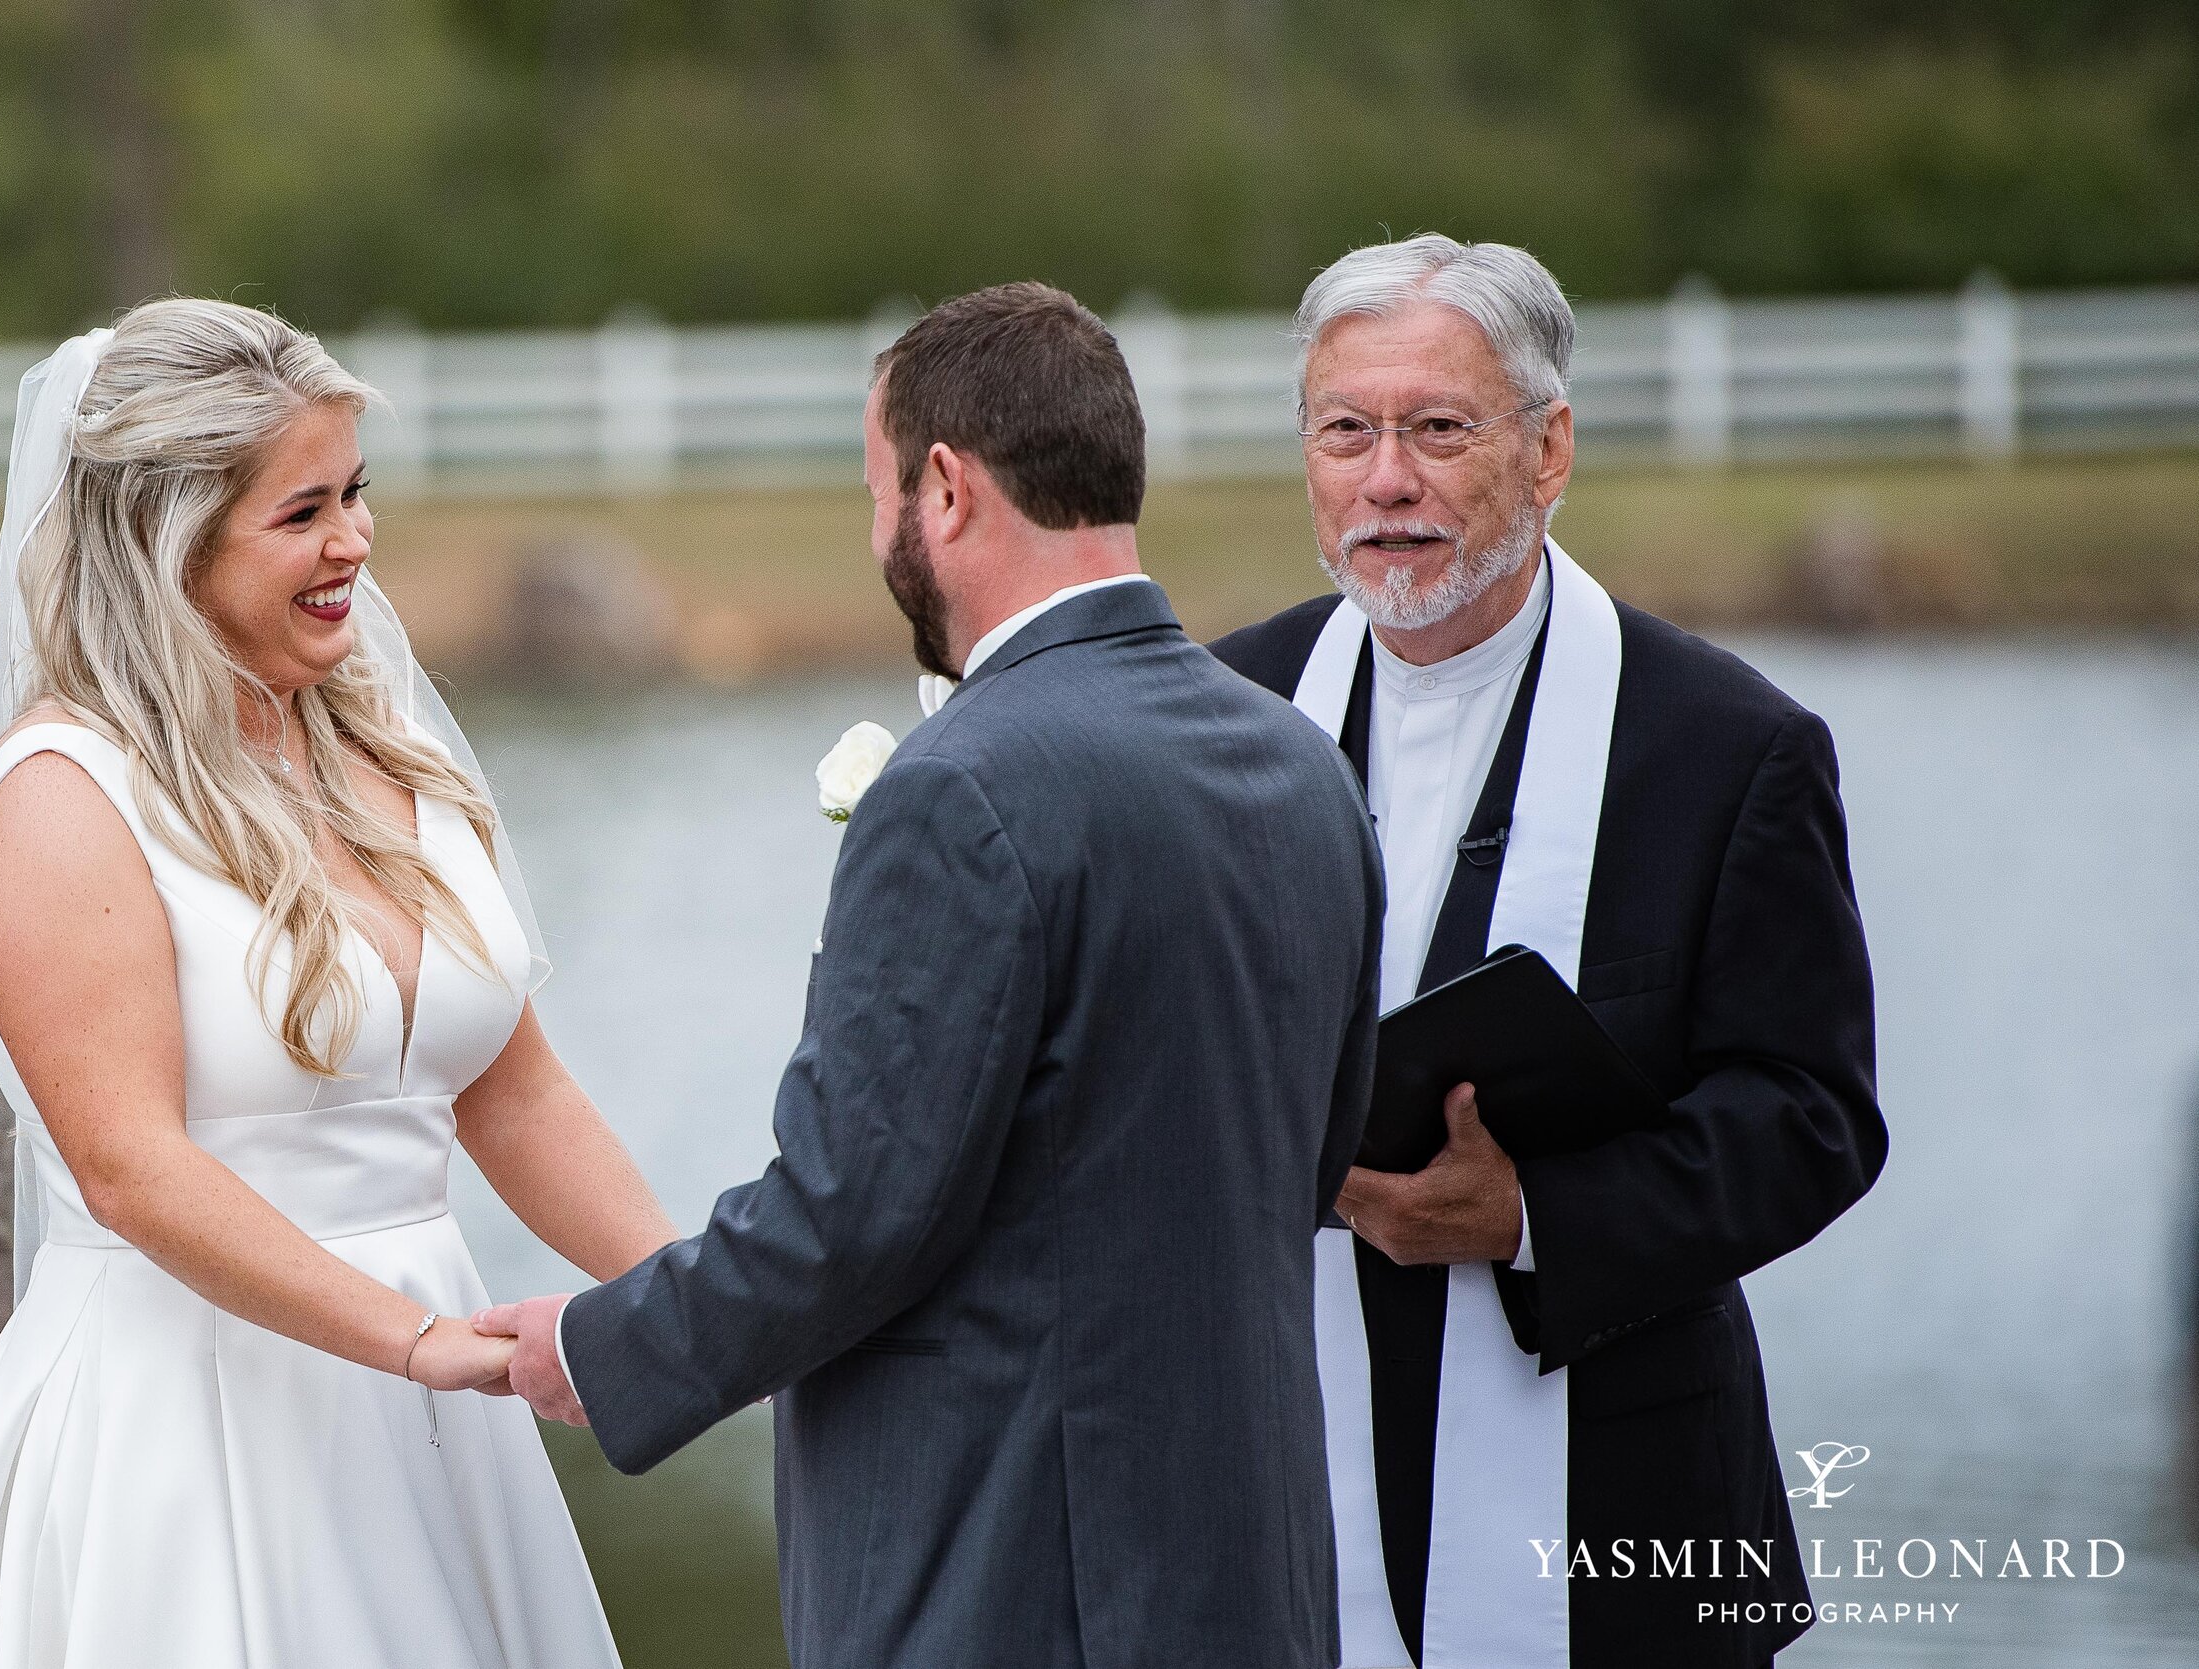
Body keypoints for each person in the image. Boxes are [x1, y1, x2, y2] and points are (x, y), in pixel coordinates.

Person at [477, 282, 1384, 1669]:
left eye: (876, 492)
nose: (876, 535)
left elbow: (848, 1213)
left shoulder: (961, 787)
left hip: (1014, 1582)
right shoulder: (1300, 763)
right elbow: (1315, 1153)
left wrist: (603, 1347)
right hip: (1250, 1577)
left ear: (946, 489)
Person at [0, 299, 675, 1669]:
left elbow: (517, 1089)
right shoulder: (65, 797)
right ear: (166, 536)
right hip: (191, 1421)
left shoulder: (389, 752)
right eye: (304, 510)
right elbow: (131, 1167)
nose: (356, 542)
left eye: (356, 493)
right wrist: (416, 1339)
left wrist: (705, 1307)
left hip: (432, 1424)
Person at [1209, 234, 1889, 1669]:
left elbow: (1812, 1118)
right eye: (1347, 431)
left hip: (1623, 1522)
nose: (1385, 478)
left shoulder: (1726, 749)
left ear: (1549, 447)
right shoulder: (1225, 710)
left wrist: (1529, 1215)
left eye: (1438, 428)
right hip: (1272, 1500)